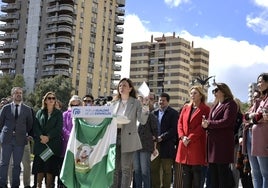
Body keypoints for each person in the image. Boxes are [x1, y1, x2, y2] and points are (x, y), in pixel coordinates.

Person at [111, 78, 149, 188]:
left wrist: (145, 106)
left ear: (130, 88)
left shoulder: (136, 102)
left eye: (124, 86)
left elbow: (142, 120)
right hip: (114, 136)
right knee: (114, 169)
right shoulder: (113, 103)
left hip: (128, 138)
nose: (121, 88)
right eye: (120, 86)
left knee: (126, 169)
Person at [201, 82, 238, 188]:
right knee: (214, 176)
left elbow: (227, 121)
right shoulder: (215, 106)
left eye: (216, 90)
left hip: (222, 145)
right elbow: (210, 121)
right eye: (213, 91)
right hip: (212, 145)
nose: (214, 93)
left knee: (222, 174)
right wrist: (205, 124)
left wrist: (209, 123)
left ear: (223, 91)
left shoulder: (231, 104)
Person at [176, 86, 210, 188]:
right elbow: (180, 124)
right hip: (184, 144)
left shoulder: (206, 109)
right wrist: (182, 137)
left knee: (196, 175)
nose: (192, 95)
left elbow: (202, 127)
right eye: (191, 93)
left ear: (201, 95)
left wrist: (189, 138)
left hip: (196, 145)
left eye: (195, 93)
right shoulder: (186, 107)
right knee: (185, 174)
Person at [0, 87, 33, 188]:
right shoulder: (5, 108)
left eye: (20, 93)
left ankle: (15, 185)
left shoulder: (27, 109)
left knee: (17, 165)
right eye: (16, 93)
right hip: (6, 139)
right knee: (4, 163)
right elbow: (0, 123)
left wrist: (23, 133)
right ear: (12, 95)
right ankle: (2, 184)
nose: (19, 94)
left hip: (20, 140)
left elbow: (30, 125)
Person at [32, 92, 63, 188]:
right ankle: (38, 186)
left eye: (53, 98)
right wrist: (41, 136)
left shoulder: (58, 114)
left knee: (50, 169)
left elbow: (58, 128)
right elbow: (35, 126)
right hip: (41, 145)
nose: (51, 100)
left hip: (52, 145)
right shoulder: (39, 112)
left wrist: (48, 137)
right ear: (45, 100)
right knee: (40, 169)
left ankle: (48, 186)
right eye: (49, 98)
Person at [244, 73, 268, 188]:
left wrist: (254, 116)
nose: (259, 84)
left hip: (263, 138)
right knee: (255, 172)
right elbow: (246, 116)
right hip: (253, 136)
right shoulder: (262, 100)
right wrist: (254, 116)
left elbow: (260, 117)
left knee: (265, 173)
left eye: (261, 81)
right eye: (257, 82)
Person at [151, 92, 178, 188]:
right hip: (155, 146)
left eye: (163, 100)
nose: (161, 102)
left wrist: (162, 137)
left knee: (167, 171)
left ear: (168, 101)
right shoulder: (154, 113)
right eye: (159, 100)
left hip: (167, 146)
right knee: (154, 169)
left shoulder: (174, 113)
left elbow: (174, 129)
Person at [133, 94, 158, 188]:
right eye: (137, 101)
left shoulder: (150, 115)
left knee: (145, 171)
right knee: (137, 171)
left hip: (146, 147)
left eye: (141, 101)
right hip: (134, 146)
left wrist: (154, 147)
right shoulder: (133, 116)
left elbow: (155, 132)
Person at [58, 95, 82, 188]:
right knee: (66, 169)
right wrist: (71, 137)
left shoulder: (83, 115)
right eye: (72, 105)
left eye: (77, 105)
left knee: (77, 170)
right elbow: (62, 128)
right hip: (66, 146)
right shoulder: (65, 114)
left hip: (79, 146)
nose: (74, 107)